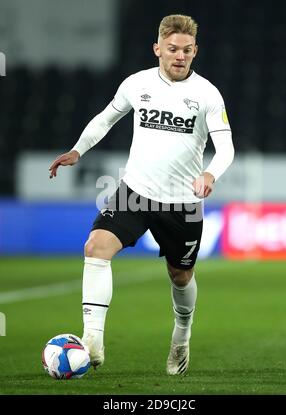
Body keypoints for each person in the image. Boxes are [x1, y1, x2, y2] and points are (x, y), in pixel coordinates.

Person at [49, 14, 234, 375]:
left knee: (181, 276)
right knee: (95, 247)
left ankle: (182, 334)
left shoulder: (207, 94)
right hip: (135, 191)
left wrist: (211, 171)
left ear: (195, 51)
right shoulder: (137, 83)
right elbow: (106, 118)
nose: (179, 56)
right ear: (157, 49)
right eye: (172, 49)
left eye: (186, 50)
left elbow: (226, 146)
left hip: (182, 203)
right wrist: (78, 150)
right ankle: (92, 341)